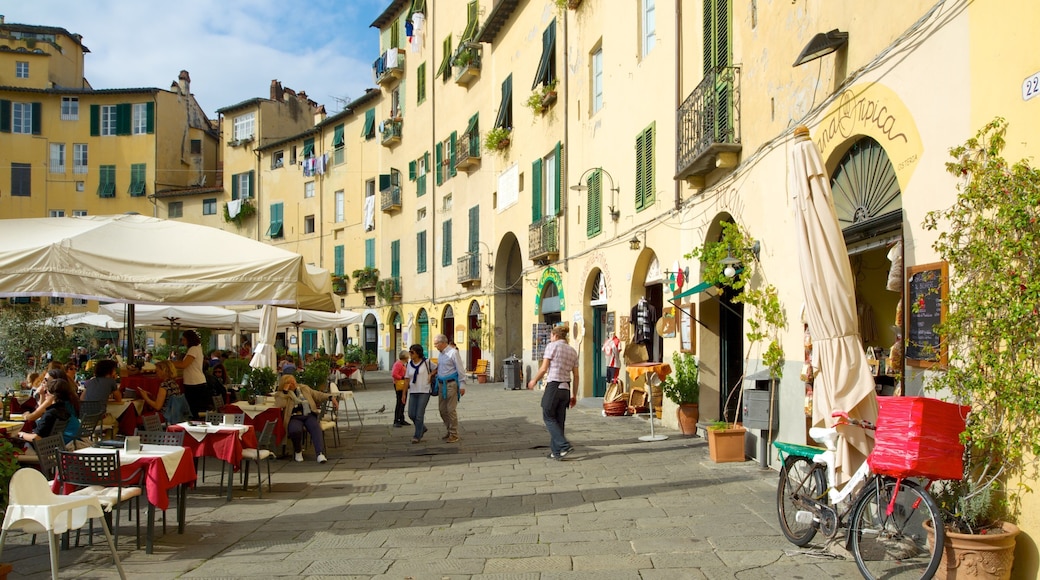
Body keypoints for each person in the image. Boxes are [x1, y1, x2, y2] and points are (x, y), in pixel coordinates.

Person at [528, 324, 579, 460]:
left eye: (551, 336)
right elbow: (576, 375)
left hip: (554, 385)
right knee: (559, 420)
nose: (550, 338)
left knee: (548, 416)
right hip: (566, 388)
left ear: (555, 336)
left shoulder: (552, 346)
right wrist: (574, 395)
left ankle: (564, 445)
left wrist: (534, 380)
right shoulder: (573, 351)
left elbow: (544, 368)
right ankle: (556, 452)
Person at [274, 374, 336, 463]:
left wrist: (330, 397)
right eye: (290, 383)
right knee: (294, 430)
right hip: (294, 416)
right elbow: (279, 405)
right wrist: (285, 392)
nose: (293, 384)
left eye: (294, 381)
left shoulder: (304, 388)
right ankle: (298, 451)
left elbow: (317, 395)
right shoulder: (281, 394)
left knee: (315, 429)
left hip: (308, 414)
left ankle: (320, 454)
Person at [17, 376, 81, 446]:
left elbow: (36, 438)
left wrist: (22, 434)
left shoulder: (50, 414)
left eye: (46, 392)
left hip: (42, 450)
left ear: (51, 394)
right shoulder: (64, 410)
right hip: (54, 447)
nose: (45, 394)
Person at [432, 334, 466, 443]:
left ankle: (454, 433)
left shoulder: (453, 353)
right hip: (441, 384)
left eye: (436, 344)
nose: (435, 346)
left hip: (451, 384)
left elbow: (460, 369)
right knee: (442, 410)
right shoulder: (441, 354)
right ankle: (449, 429)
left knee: (451, 410)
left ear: (443, 343)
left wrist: (462, 385)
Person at [138, 360, 190, 426]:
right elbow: (168, 400)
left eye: (157, 371)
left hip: (165, 416)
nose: (156, 373)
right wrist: (152, 397)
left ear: (164, 371)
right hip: (175, 414)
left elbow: (157, 407)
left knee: (138, 419)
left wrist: (145, 397)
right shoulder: (174, 384)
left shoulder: (164, 385)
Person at [171, 330, 208, 416]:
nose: (183, 342)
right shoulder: (197, 348)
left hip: (194, 382)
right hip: (196, 381)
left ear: (189, 339)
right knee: (195, 409)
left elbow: (184, 364)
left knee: (194, 409)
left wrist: (170, 363)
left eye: (184, 339)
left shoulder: (193, 349)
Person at [405, 344, 434, 444]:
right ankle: (422, 427)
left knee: (419, 415)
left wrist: (431, 374)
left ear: (418, 353)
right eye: (409, 352)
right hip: (413, 391)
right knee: (411, 414)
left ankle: (417, 435)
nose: (410, 354)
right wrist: (404, 394)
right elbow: (407, 378)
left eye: (412, 352)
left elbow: (437, 368)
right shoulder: (409, 364)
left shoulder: (426, 362)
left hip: (424, 390)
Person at [391, 350, 410, 427]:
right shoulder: (398, 364)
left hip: (403, 384)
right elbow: (394, 374)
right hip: (399, 384)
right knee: (400, 402)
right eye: (407, 357)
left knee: (403, 402)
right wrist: (402, 377)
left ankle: (401, 418)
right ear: (405, 357)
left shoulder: (403, 364)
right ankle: (396, 420)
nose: (408, 358)